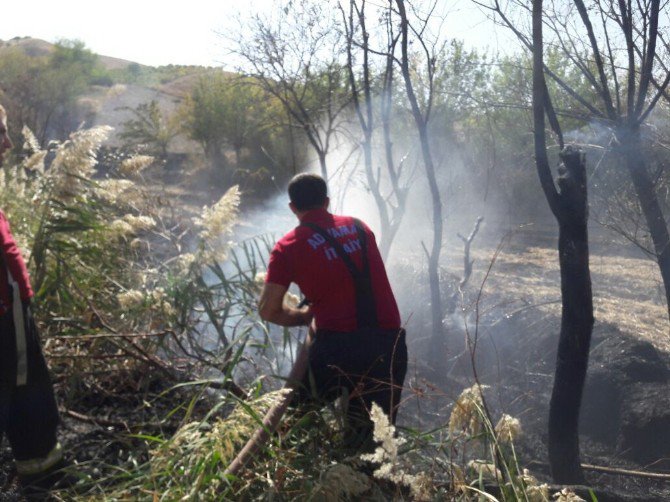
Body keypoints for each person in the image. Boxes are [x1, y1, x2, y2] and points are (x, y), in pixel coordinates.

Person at [258, 173, 407, 450]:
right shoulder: (361, 228)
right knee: (371, 445)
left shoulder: (288, 246)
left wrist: (302, 317)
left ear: (292, 208)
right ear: (327, 201)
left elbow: (267, 310)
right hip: (390, 344)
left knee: (292, 426)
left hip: (338, 347)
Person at [0, 104, 64, 496]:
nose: (7, 142)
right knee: (26, 391)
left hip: (11, 309)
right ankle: (41, 480)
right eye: (1, 133)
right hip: (6, 316)